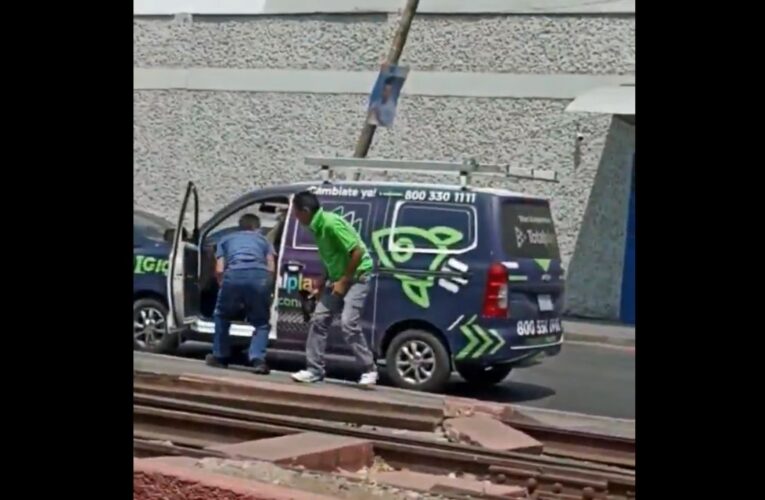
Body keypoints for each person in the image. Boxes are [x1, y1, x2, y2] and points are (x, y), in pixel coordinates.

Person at [290, 191, 378, 385]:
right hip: (337, 277)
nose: (296, 218)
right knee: (319, 320)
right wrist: (322, 281)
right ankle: (314, 370)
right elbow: (331, 257)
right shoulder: (316, 227)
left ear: (305, 211)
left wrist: (344, 281)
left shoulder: (330, 223)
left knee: (348, 323)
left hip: (357, 276)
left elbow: (357, 251)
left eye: (296, 213)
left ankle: (369, 369)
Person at [205, 213, 275, 375]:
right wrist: (266, 288)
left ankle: (220, 357)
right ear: (256, 228)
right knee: (261, 322)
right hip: (260, 277)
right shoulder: (264, 241)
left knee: (222, 315)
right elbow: (271, 266)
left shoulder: (226, 239)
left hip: (234, 276)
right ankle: (258, 360)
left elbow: (220, 269)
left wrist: (224, 286)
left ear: (239, 226)